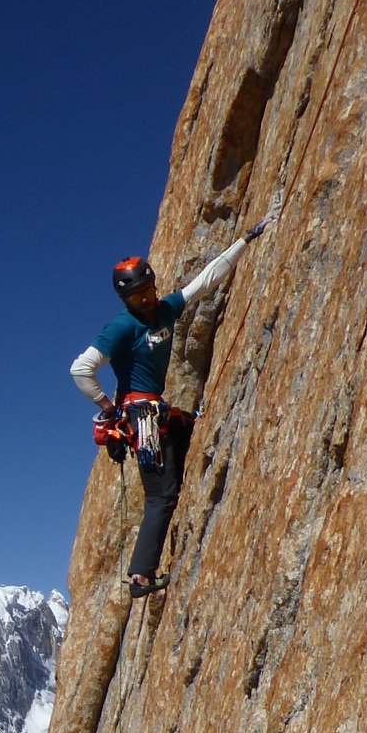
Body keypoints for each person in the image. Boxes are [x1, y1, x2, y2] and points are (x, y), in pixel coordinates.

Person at [71, 214, 276, 598]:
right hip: (141, 418)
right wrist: (109, 407)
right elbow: (80, 369)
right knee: (161, 495)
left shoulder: (164, 309)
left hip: (155, 414)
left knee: (185, 438)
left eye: (148, 291)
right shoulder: (122, 328)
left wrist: (247, 239)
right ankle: (141, 577)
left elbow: (205, 281)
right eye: (137, 297)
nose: (146, 300)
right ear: (125, 301)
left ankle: (144, 569)